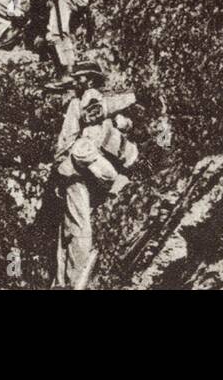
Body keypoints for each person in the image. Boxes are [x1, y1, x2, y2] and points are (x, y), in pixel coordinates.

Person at [51, 61, 140, 290]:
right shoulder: (82, 102)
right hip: (81, 169)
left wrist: (130, 97)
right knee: (71, 225)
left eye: (80, 77)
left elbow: (94, 113)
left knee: (76, 225)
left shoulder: (88, 98)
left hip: (77, 169)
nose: (76, 81)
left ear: (90, 79)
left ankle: (71, 280)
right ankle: (63, 280)